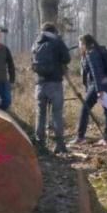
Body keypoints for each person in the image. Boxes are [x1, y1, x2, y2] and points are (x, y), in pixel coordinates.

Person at [31, 22, 71, 154]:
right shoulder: (57, 41)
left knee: (40, 114)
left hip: (40, 84)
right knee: (56, 115)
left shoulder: (36, 42)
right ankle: (59, 145)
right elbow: (67, 58)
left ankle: (40, 144)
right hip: (55, 84)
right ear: (54, 31)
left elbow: (33, 62)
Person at [69, 34, 107, 147]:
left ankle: (80, 137)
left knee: (85, 108)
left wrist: (99, 90)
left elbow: (96, 72)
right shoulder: (99, 50)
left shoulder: (91, 54)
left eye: (80, 43)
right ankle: (106, 138)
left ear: (84, 43)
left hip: (97, 86)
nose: (79, 46)